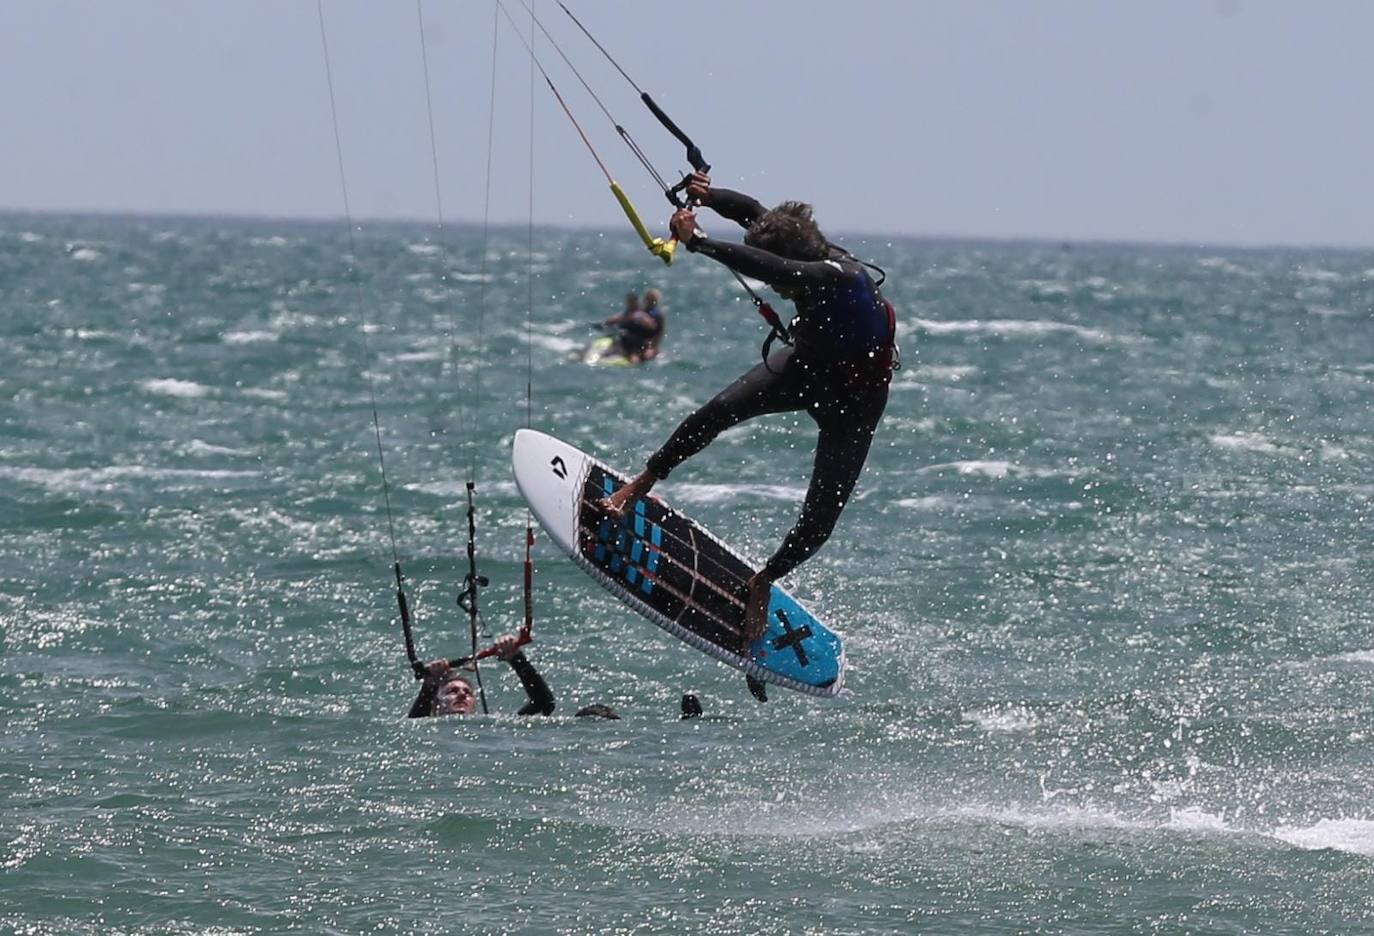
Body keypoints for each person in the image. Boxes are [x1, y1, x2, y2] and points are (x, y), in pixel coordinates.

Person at [604, 172, 897, 646]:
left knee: (819, 519)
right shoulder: (798, 241)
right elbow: (752, 213)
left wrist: (697, 241)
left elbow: (777, 271)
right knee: (715, 413)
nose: (779, 292)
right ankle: (640, 485)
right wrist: (709, 196)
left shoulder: (834, 275)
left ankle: (763, 580)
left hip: (854, 403)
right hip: (805, 368)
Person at [407, 633, 555, 718]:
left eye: (468, 693)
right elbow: (415, 723)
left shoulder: (492, 729)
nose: (461, 695)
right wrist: (429, 686)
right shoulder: (429, 729)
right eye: (452, 691)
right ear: (436, 707)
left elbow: (544, 704)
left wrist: (516, 658)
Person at [602, 288, 666, 364]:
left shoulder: (657, 315)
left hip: (642, 343)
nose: (648, 301)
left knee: (635, 356)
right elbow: (623, 316)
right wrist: (608, 322)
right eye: (647, 299)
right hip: (630, 338)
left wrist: (652, 348)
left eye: (651, 299)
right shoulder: (640, 311)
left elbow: (657, 332)